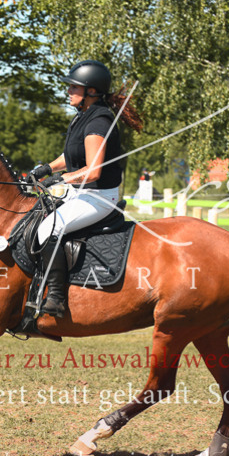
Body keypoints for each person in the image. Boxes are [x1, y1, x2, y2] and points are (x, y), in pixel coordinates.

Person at [25, 59, 144, 318]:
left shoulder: (99, 120)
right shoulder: (83, 117)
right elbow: (71, 156)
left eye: (73, 87)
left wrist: (60, 180)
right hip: (81, 193)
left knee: (49, 228)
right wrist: (46, 169)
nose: (68, 91)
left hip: (99, 197)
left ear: (91, 91)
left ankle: (56, 298)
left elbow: (93, 170)